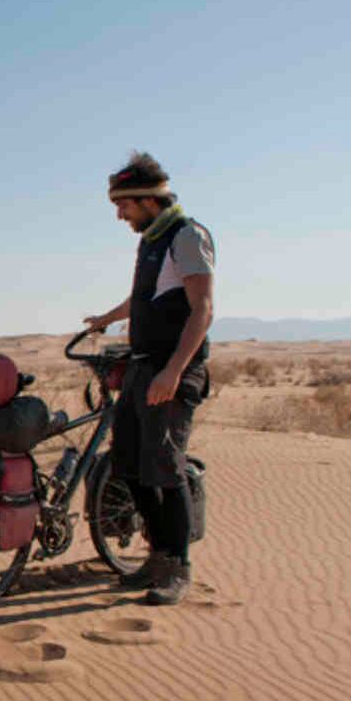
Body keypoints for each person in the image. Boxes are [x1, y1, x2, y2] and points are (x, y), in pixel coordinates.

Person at [84, 152, 213, 605]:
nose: (120, 215)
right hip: (142, 365)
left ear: (147, 200)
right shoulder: (152, 239)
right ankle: (157, 558)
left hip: (172, 369)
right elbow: (144, 296)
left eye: (124, 206)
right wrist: (107, 317)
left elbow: (202, 309)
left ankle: (178, 566)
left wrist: (175, 372)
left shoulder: (187, 236)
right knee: (129, 464)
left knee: (165, 466)